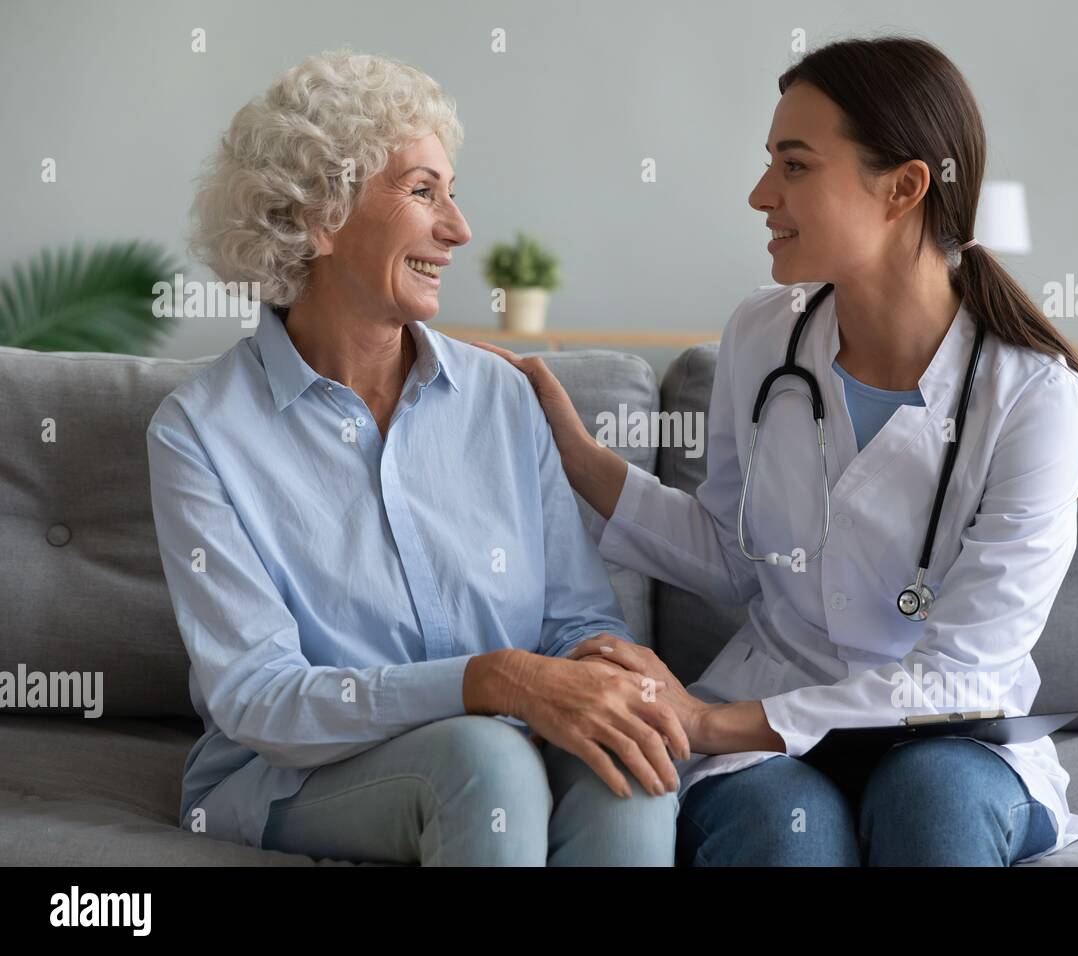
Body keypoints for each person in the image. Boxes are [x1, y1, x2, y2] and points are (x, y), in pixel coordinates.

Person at [477, 36, 1078, 866]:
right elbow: (733, 553)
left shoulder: (1036, 398)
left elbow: (960, 670)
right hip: (776, 693)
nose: (759, 194)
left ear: (903, 188)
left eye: (794, 166)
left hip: (952, 732)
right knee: (783, 830)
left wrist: (710, 723)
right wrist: (574, 452)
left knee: (931, 799)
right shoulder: (763, 331)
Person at [146, 49, 682, 866]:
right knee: (484, 762)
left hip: (506, 744)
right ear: (317, 215)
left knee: (635, 776)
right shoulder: (200, 432)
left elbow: (576, 617)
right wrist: (491, 680)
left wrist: (602, 665)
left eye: (452, 194)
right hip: (294, 774)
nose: (459, 230)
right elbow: (260, 700)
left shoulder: (501, 399)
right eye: (422, 191)